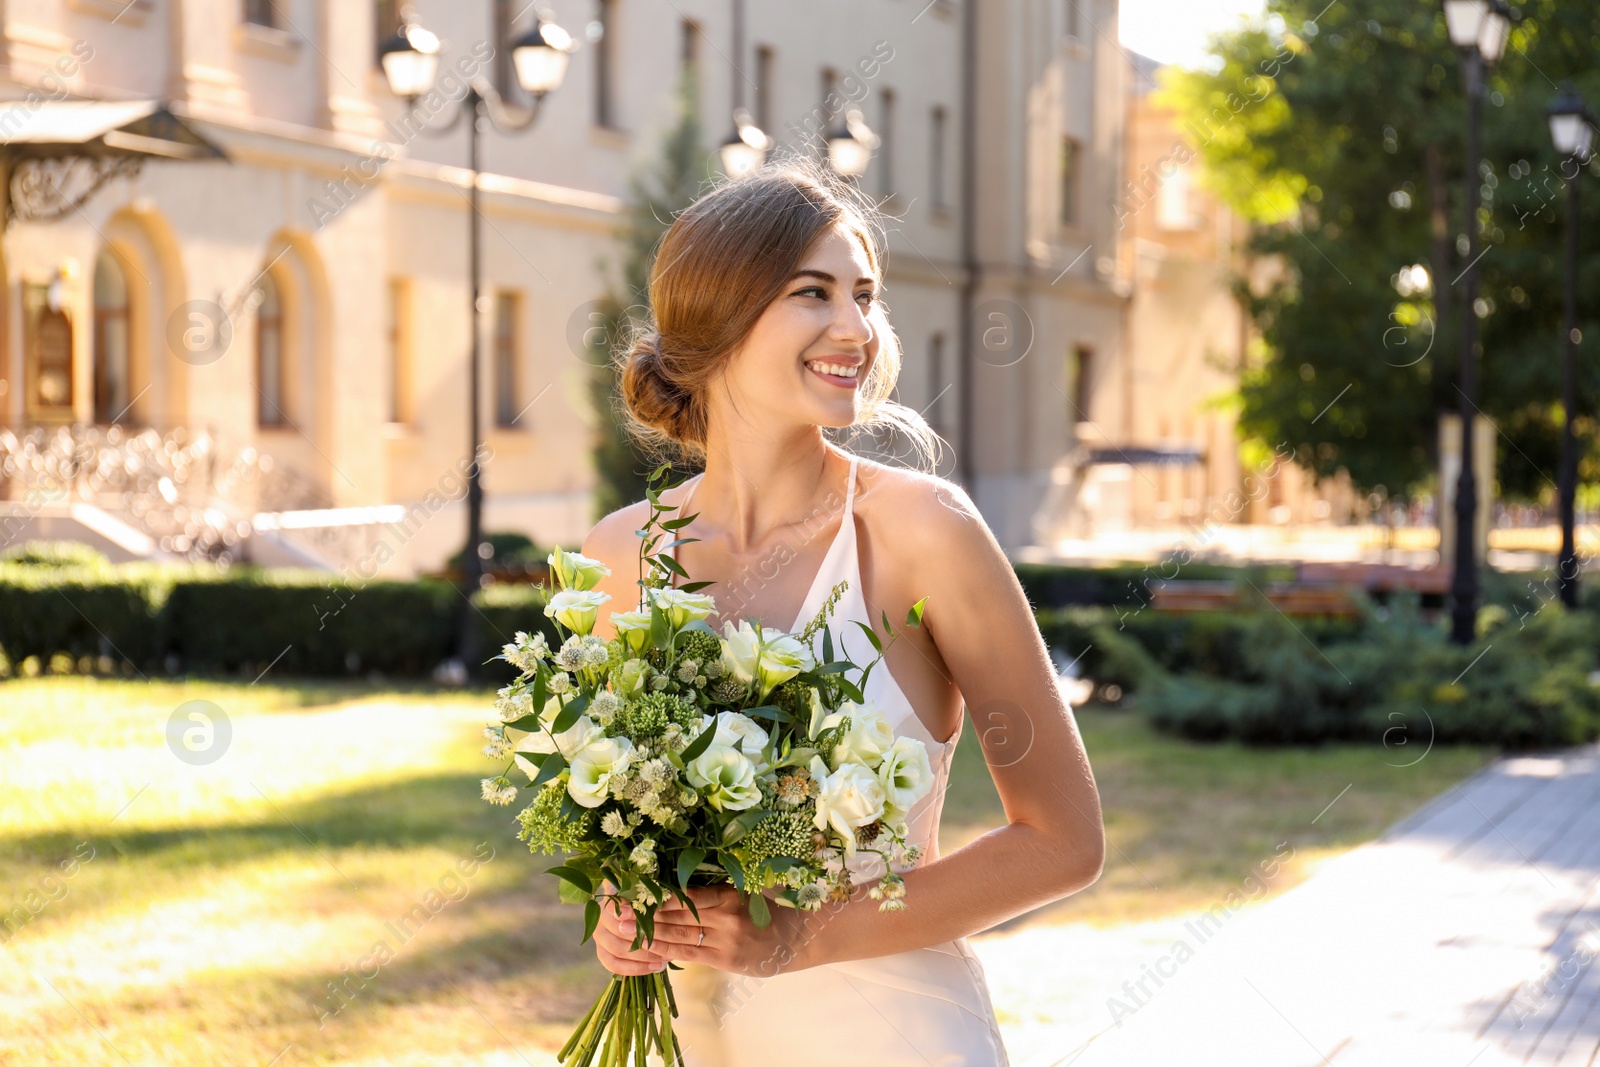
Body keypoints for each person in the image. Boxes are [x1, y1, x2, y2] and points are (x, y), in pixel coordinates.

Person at [580, 158, 1104, 1067]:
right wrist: (622, 914)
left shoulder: (923, 530)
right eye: (813, 293)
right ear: (719, 315)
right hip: (693, 1035)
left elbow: (1063, 842)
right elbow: (617, 825)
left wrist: (801, 937)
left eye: (865, 295)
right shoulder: (619, 554)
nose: (856, 328)